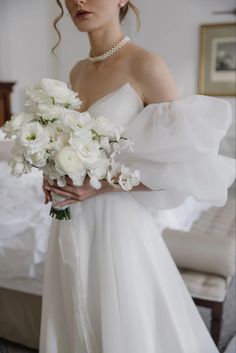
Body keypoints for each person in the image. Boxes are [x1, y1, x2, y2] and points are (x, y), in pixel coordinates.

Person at [40, 1, 235, 352]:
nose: (78, 2)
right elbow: (74, 144)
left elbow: (181, 167)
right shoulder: (76, 72)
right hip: (68, 221)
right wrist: (51, 169)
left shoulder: (146, 65)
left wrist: (98, 187)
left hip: (115, 224)